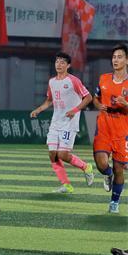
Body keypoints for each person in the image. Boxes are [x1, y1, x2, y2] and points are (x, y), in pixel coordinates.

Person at [29, 52, 95, 194]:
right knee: (52, 154)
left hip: (69, 123)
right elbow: (49, 100)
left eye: (62, 62)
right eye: (57, 61)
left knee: (63, 155)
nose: (59, 64)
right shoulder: (52, 82)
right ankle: (66, 185)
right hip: (55, 122)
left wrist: (75, 110)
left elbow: (88, 97)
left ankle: (86, 167)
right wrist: (38, 110)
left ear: (68, 65)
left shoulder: (73, 81)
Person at [93, 44, 128, 213]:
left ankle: (114, 202)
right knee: (101, 163)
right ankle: (108, 174)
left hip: (123, 132)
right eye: (114, 57)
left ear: (127, 60)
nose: (116, 60)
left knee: (119, 168)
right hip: (104, 127)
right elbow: (95, 97)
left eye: (120, 57)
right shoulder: (104, 78)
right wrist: (98, 105)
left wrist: (125, 103)